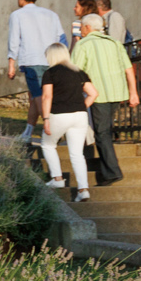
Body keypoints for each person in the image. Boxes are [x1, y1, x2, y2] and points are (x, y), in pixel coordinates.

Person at [71, 12, 138, 185]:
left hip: (98, 94)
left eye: (82, 27)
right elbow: (128, 69)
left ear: (87, 27)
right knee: (105, 130)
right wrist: (133, 92)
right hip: (117, 92)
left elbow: (75, 71)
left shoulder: (83, 44)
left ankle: (112, 172)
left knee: (102, 132)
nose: (81, 30)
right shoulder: (114, 43)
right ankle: (110, 170)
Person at [6, 0, 64, 146]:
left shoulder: (17, 15)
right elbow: (61, 38)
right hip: (52, 59)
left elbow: (14, 39)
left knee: (39, 96)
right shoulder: (51, 14)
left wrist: (11, 62)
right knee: (35, 97)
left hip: (32, 60)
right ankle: (28, 132)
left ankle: (52, 129)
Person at [39, 42, 95, 201]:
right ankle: (83, 189)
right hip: (80, 116)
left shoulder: (50, 73)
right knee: (77, 154)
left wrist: (46, 118)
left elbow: (47, 97)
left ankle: (57, 179)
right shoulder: (79, 72)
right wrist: (81, 106)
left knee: (47, 144)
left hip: (59, 114)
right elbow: (93, 93)